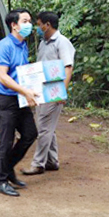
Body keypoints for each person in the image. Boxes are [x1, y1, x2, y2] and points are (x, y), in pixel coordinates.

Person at [0, 8, 39, 197]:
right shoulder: (5, 46)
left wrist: (32, 92)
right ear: (14, 25)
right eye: (25, 21)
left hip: (19, 97)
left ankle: (8, 169)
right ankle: (0, 181)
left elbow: (21, 73)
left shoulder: (23, 44)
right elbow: (2, 76)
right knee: (6, 140)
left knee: (30, 133)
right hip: (4, 100)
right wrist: (25, 91)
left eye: (30, 21)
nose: (29, 25)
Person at [21, 11, 76, 176]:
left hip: (54, 91)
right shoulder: (43, 43)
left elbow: (68, 68)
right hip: (41, 91)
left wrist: (62, 92)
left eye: (39, 24)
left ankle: (38, 164)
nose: (37, 28)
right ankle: (52, 161)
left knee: (44, 128)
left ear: (47, 25)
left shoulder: (62, 42)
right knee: (46, 126)